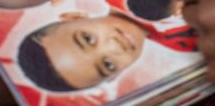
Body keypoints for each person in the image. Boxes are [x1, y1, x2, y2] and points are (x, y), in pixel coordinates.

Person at [16, 11, 197, 93]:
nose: (115, 47)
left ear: (75, 17)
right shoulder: (188, 45)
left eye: (88, 39)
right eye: (108, 64)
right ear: (114, 76)